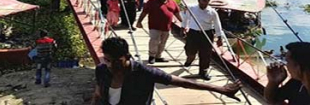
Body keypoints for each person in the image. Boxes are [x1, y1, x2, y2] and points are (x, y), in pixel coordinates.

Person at [91, 37, 241, 105]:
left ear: (127, 56)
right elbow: (98, 94)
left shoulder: (144, 72)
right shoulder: (102, 70)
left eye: (117, 61)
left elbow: (181, 82)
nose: (111, 65)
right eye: (108, 60)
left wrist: (220, 89)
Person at [181, 0, 223, 80]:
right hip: (193, 33)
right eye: (202, 3)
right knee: (190, 50)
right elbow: (185, 18)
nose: (203, 6)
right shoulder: (192, 9)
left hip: (206, 33)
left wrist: (219, 37)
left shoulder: (212, 12)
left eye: (205, 4)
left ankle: (203, 71)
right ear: (198, 1)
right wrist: (183, 27)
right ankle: (190, 59)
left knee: (205, 53)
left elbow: (217, 25)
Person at [136, 0, 182, 64]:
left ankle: (158, 56)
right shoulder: (152, 2)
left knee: (163, 42)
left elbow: (176, 13)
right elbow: (144, 12)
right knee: (154, 41)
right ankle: (152, 56)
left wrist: (182, 23)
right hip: (154, 26)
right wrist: (139, 22)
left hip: (166, 27)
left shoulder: (172, 2)